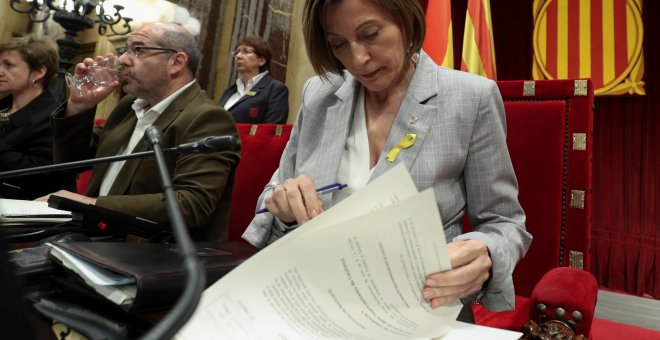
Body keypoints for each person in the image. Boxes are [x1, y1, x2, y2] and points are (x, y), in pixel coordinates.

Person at [242, 0, 532, 317]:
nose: (358, 59)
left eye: (370, 34)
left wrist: (486, 252)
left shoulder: (470, 97)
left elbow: (504, 223)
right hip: (318, 300)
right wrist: (284, 204)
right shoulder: (319, 94)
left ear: (405, 19)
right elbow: (271, 196)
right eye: (339, 44)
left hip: (421, 307)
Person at [40, 22, 240, 242]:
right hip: (92, 235)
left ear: (176, 62)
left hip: (156, 253)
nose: (124, 59)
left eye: (138, 50)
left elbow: (191, 204)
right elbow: (70, 162)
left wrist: (88, 204)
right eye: (125, 50)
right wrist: (78, 107)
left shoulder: (207, 118)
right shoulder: (129, 107)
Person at [0, 35, 75, 199]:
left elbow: (39, 174)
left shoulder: (55, 116)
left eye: (8, 65)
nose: (0, 71)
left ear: (39, 72)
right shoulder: (3, 106)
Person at [218, 36, 289, 124]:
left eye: (246, 51)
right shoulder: (229, 91)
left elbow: (271, 131)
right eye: (237, 52)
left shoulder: (275, 89)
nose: (238, 56)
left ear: (262, 60)